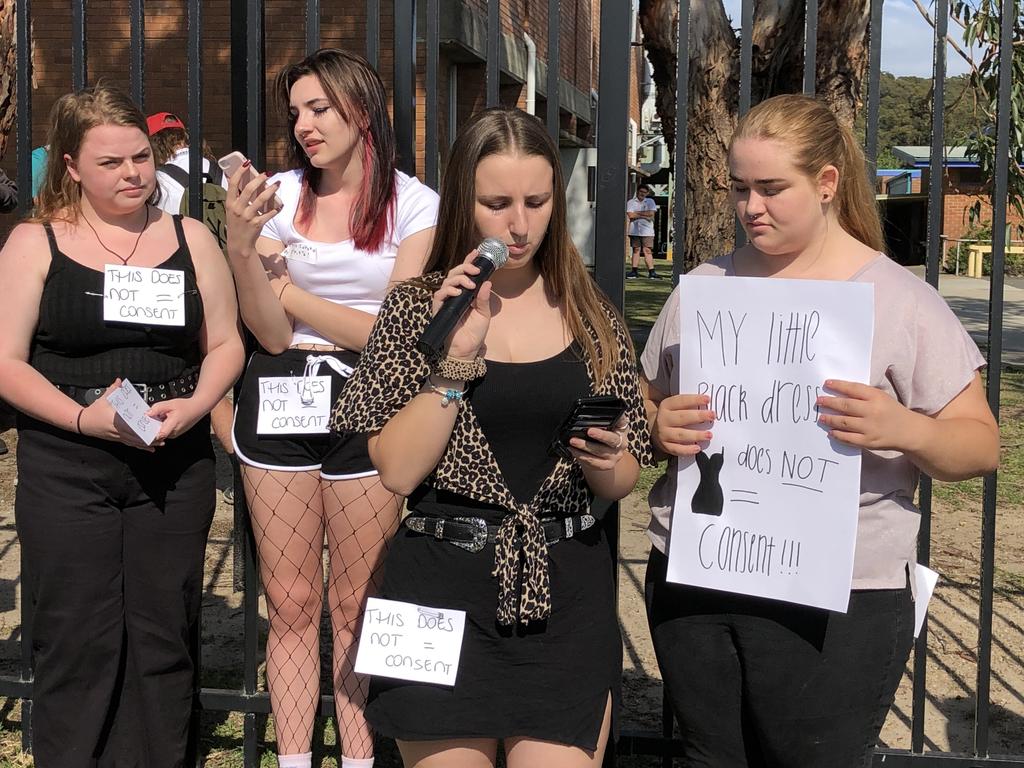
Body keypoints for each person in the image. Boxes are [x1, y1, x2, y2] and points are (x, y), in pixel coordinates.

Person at [640, 94, 999, 768]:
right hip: (698, 571)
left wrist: (902, 427)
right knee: (710, 757)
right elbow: (646, 398)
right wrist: (658, 424)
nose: (751, 208)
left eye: (772, 189)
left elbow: (980, 443)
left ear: (827, 183)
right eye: (740, 188)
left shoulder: (898, 299)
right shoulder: (703, 286)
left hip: (843, 590)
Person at [331, 106, 653, 768]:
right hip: (437, 590)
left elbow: (624, 480)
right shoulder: (416, 308)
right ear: (463, 203)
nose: (519, 223)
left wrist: (610, 459)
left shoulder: (593, 314)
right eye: (497, 203)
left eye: (537, 201)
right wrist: (453, 360)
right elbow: (395, 469)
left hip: (564, 595)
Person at [0, 84, 243, 766]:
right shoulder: (35, 242)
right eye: (110, 163)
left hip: (173, 458)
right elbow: (6, 362)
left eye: (140, 157)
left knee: (165, 630)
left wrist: (196, 407)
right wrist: (82, 417)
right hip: (66, 460)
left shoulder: (192, 237)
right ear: (71, 166)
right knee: (76, 631)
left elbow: (225, 343)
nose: (133, 173)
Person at [225, 47, 438, 768]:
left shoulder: (415, 203)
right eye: (296, 112)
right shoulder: (276, 196)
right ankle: (291, 759)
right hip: (282, 397)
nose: (304, 125)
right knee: (288, 604)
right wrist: (242, 249)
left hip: (374, 405)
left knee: (355, 604)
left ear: (361, 108)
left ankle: (356, 757)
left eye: (319, 108)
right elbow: (273, 333)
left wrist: (291, 289)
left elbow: (399, 336)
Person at [626, 182, 659, 279]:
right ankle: (634, 271)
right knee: (636, 250)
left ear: (647, 193)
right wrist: (645, 215)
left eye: (645, 192)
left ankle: (651, 272)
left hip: (647, 231)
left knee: (647, 250)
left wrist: (637, 214)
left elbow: (651, 213)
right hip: (634, 230)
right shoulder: (631, 202)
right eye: (641, 191)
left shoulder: (650, 202)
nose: (642, 194)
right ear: (637, 191)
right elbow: (630, 215)